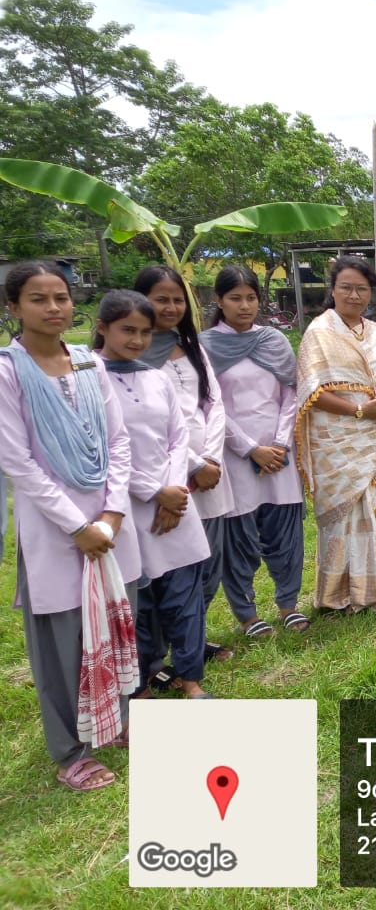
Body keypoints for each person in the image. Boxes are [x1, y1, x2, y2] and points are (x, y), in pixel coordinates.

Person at [0, 262, 142, 790]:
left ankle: (119, 721)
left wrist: (112, 512)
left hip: (109, 519)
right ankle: (70, 750)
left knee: (118, 622)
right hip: (54, 530)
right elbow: (17, 462)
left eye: (60, 297)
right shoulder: (8, 371)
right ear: (13, 307)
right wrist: (77, 524)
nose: (54, 308)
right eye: (39, 299)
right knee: (63, 643)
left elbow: (119, 441)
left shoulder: (87, 364)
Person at [94, 290, 212, 699]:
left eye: (145, 332)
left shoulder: (155, 376)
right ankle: (140, 682)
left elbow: (178, 438)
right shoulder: (90, 380)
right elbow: (103, 450)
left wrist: (175, 492)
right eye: (127, 329)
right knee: (137, 606)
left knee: (184, 598)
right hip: (125, 506)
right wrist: (154, 492)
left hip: (175, 502)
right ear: (102, 327)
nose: (137, 340)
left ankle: (191, 678)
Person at [296, 256, 376, 612]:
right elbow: (312, 392)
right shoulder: (319, 333)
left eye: (362, 289)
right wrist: (358, 410)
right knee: (345, 518)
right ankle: (340, 595)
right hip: (336, 443)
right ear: (333, 290)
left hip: (375, 435)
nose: (354, 295)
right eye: (346, 288)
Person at [199, 265, 309, 637]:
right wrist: (251, 449)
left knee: (285, 531)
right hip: (234, 455)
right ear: (219, 301)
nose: (244, 306)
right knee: (238, 537)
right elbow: (211, 407)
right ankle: (247, 614)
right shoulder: (205, 346)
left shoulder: (274, 340)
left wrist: (279, 444)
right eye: (235, 298)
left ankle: (288, 605)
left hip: (281, 453)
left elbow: (290, 394)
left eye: (250, 298)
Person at [134, 265, 235, 667]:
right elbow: (152, 423)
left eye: (177, 299)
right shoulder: (132, 350)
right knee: (165, 570)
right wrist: (193, 464)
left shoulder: (189, 343)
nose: (171, 306)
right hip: (163, 476)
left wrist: (210, 457)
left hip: (211, 471)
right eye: (161, 298)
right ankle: (155, 653)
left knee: (210, 562)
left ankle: (191, 641)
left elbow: (213, 403)